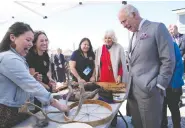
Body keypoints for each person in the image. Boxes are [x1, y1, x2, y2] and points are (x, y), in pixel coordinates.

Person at [0, 22, 68, 128]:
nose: (31, 44)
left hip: (14, 109)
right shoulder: (9, 58)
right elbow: (32, 86)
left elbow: (18, 81)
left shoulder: (16, 57)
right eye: (28, 40)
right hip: (6, 113)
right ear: (13, 37)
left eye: (32, 40)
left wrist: (32, 77)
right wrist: (58, 105)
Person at [118, 4, 175, 128]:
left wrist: (159, 84)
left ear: (134, 14)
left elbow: (168, 59)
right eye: (121, 23)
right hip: (133, 93)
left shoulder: (157, 28)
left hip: (150, 92)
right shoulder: (133, 35)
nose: (123, 25)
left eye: (124, 21)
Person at [95, 30, 128, 127]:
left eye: (109, 38)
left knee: (114, 102)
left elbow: (122, 64)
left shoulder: (119, 48)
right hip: (103, 78)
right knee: (103, 100)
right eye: (106, 38)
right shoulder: (100, 49)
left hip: (114, 78)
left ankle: (113, 122)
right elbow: (97, 64)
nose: (107, 40)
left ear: (113, 38)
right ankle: (105, 120)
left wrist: (119, 75)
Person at [26, 31, 58, 113]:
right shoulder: (30, 55)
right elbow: (32, 78)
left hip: (46, 89)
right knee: (38, 115)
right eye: (41, 41)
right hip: (35, 94)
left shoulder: (45, 55)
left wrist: (50, 80)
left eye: (46, 40)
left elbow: (46, 72)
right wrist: (45, 86)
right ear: (35, 43)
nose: (45, 43)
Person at [161, 42, 184, 128]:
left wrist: (174, 84)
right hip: (161, 85)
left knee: (174, 109)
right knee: (162, 110)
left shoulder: (172, 45)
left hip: (172, 86)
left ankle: (177, 126)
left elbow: (179, 66)